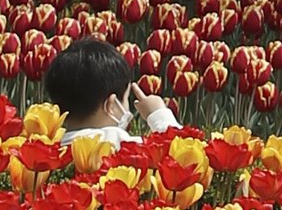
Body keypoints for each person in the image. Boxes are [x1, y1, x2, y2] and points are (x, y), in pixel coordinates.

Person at [44, 34, 180, 145]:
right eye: (126, 99)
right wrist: (159, 114)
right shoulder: (116, 141)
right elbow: (179, 149)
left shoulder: (52, 147)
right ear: (111, 105)